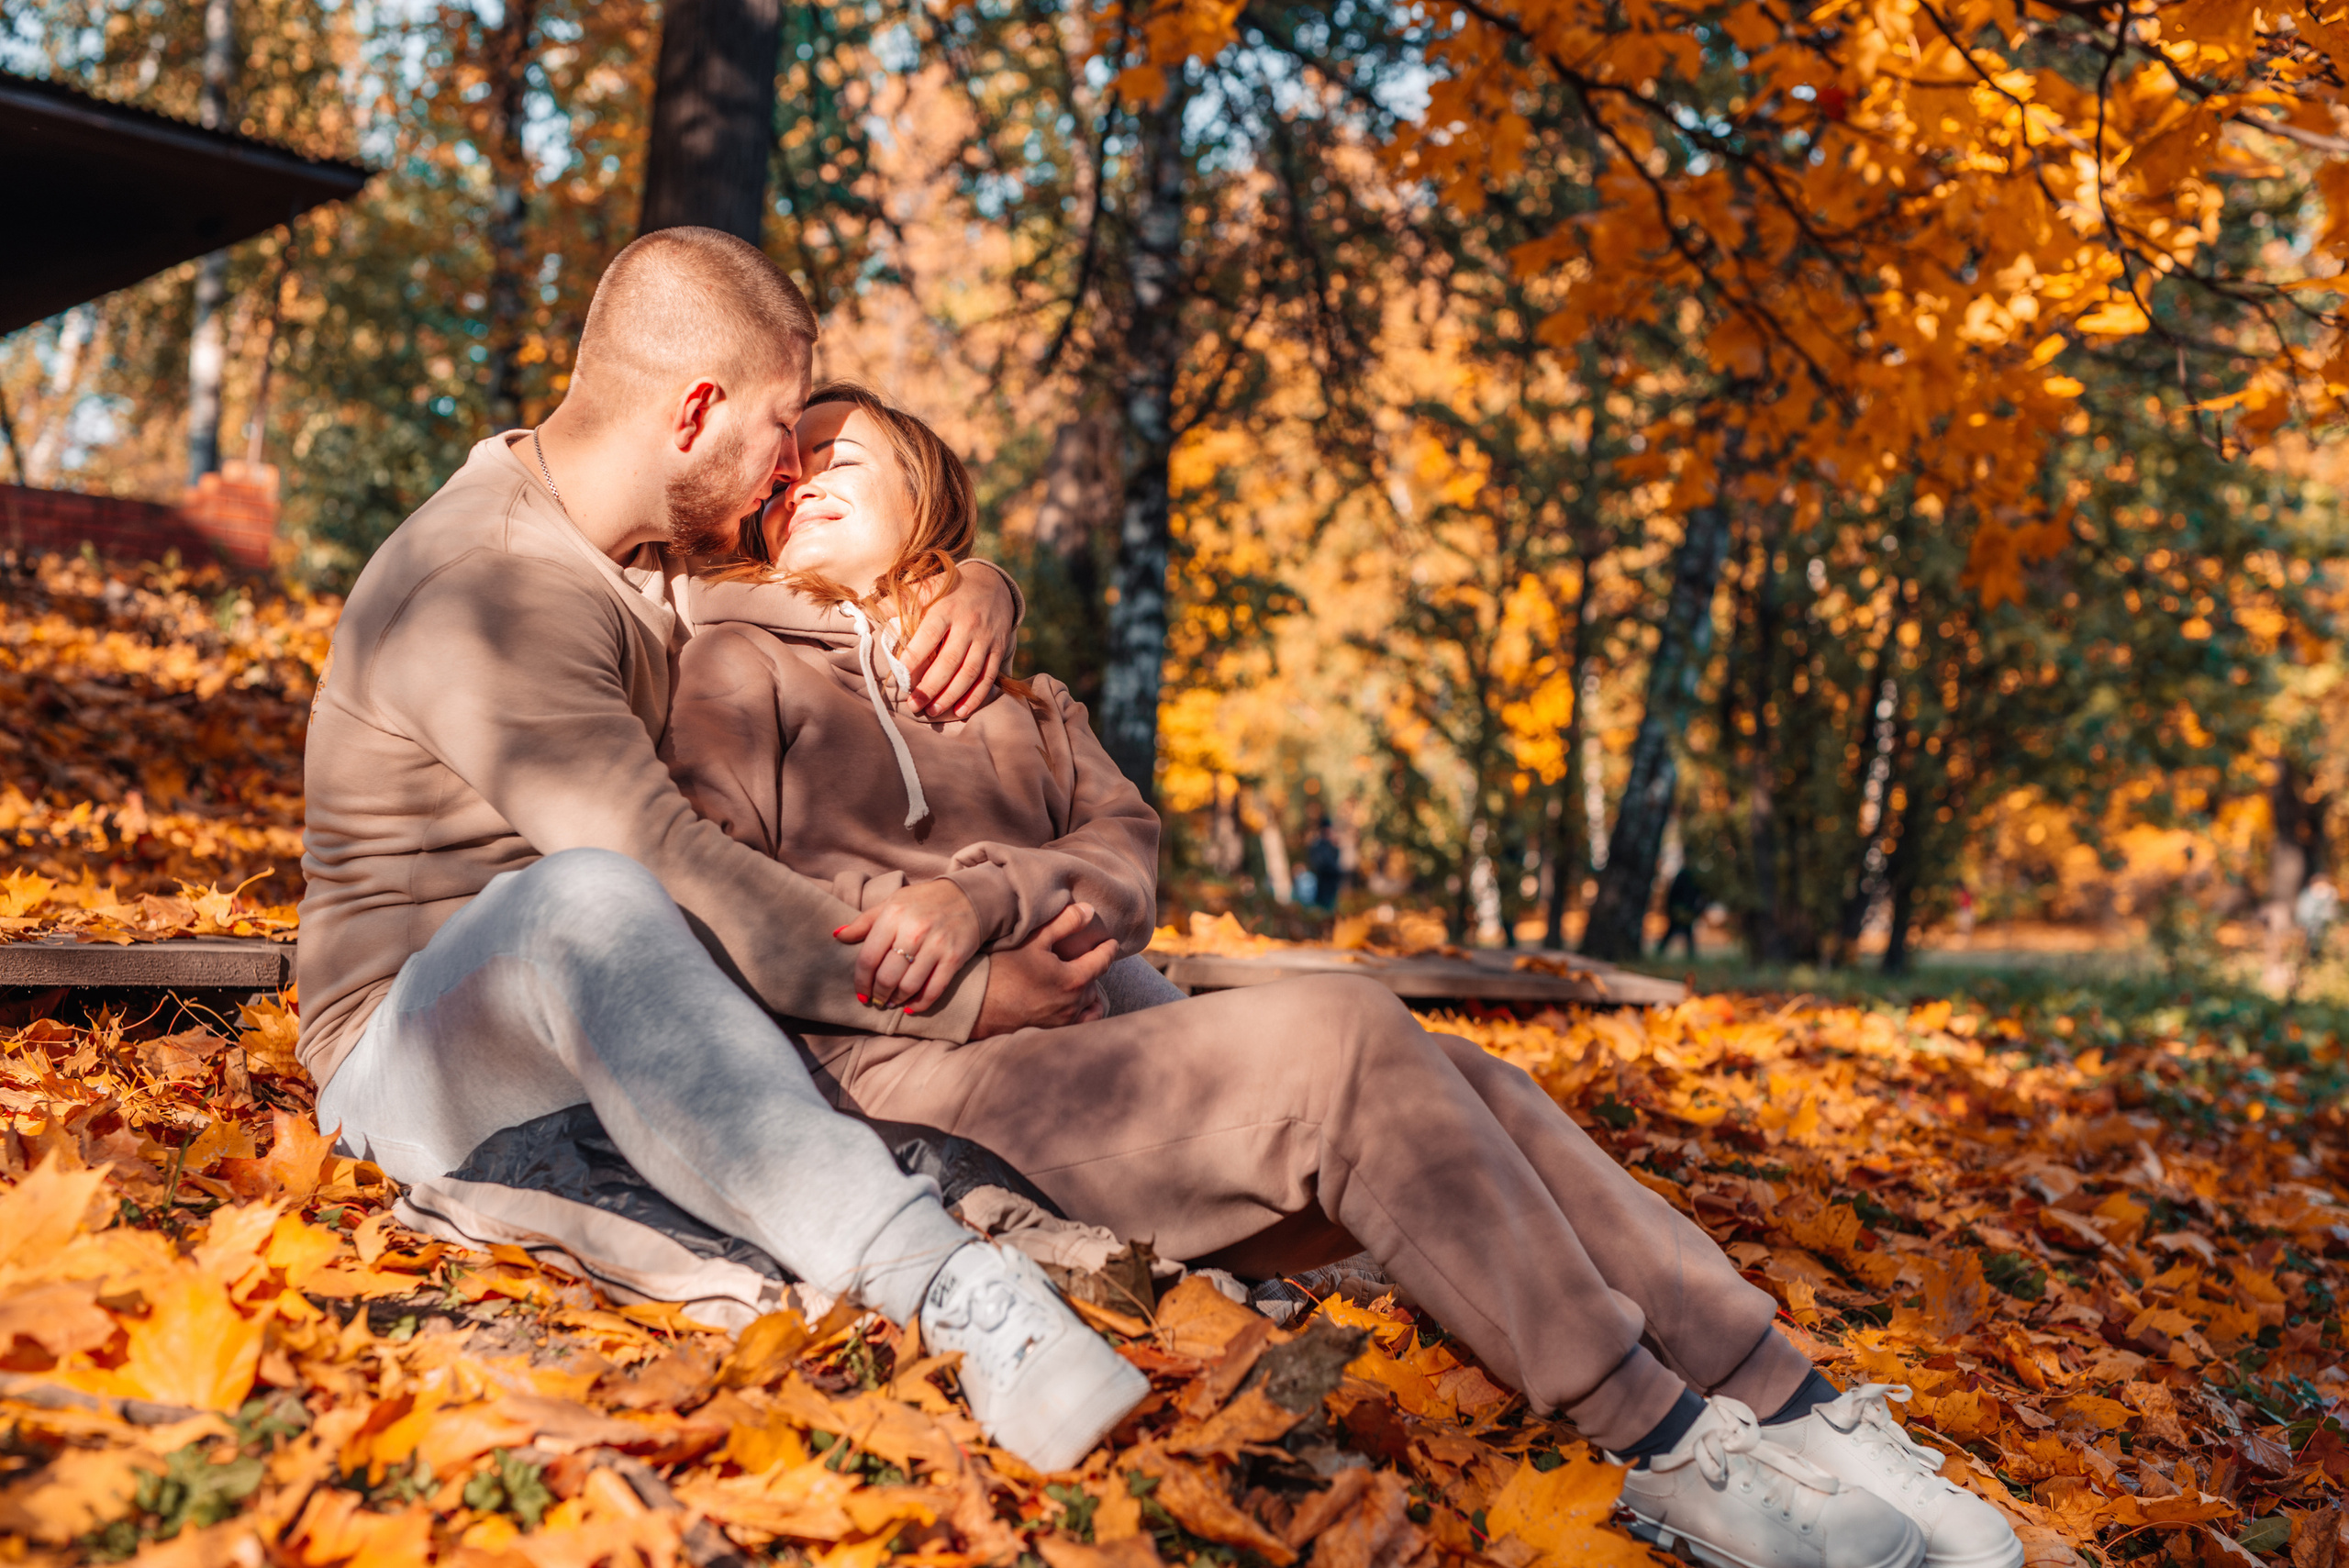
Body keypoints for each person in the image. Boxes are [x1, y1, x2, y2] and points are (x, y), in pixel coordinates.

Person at [663, 384, 2024, 1568]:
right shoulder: (736, 665)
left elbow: (1127, 858)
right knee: (1344, 1036)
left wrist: (991, 891)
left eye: (845, 452)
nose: (806, 478)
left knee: (1471, 1079)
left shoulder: (1024, 697)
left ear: (929, 488)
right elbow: (724, 887)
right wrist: (930, 939)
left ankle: (1783, 1399)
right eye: (786, 473)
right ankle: (1660, 1441)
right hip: (929, 1094)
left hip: (1099, 1073)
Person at [295, 228, 1146, 1473]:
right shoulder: (487, 584)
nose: (793, 467)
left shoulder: (651, 547)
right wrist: (961, 996)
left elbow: (851, 591)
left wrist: (975, 579)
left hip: (649, 1008)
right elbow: (668, 867)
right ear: (697, 410)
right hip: (426, 1045)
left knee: (1105, 977)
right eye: (784, 428)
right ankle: (945, 1289)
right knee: (591, 895)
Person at [1659, 864, 1706, 958]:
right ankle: (1660, 952)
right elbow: (1673, 894)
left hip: (1687, 911)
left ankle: (1691, 957)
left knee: (1686, 934)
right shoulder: (1684, 875)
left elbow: (1700, 896)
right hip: (1680, 910)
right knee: (1675, 932)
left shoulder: (1694, 876)